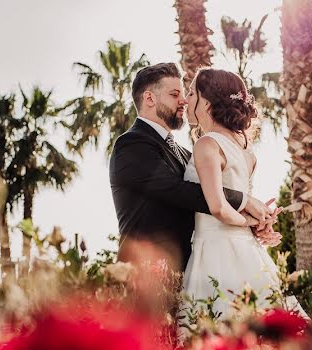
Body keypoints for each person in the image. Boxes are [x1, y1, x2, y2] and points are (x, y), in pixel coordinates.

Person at [108, 62, 278, 272]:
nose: (183, 101)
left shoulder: (187, 153)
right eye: (174, 94)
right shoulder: (131, 145)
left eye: (185, 93)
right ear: (150, 98)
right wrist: (246, 204)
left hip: (193, 268)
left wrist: (254, 224)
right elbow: (181, 191)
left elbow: (207, 201)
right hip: (146, 275)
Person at [180, 67, 304, 326]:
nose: (186, 99)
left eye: (191, 93)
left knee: (215, 332)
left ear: (207, 102)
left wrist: (254, 221)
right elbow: (241, 204)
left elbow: (219, 208)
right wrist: (258, 221)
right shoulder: (246, 153)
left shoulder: (207, 144)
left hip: (214, 252)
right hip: (247, 251)